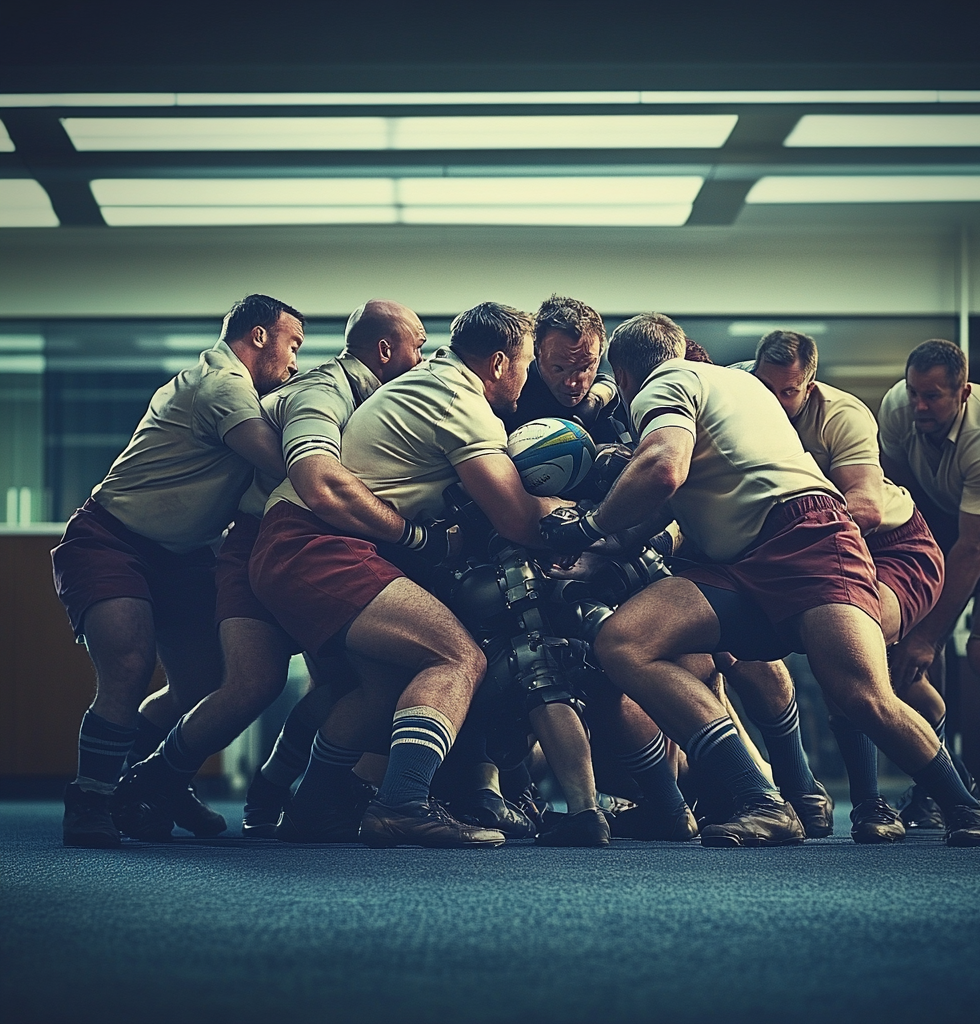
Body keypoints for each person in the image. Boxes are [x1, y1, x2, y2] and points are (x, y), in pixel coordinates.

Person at [543, 313, 980, 848]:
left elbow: (664, 470)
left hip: (806, 538)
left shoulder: (658, 386)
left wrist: (588, 523)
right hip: (740, 561)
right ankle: (761, 799)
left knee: (861, 694)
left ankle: (965, 806)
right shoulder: (740, 383)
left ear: (622, 376)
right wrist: (602, 548)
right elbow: (669, 500)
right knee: (625, 640)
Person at [112, 299, 432, 842]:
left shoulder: (372, 398)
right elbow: (312, 474)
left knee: (337, 682)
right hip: (265, 542)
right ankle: (151, 782)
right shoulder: (323, 389)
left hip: (301, 544)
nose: (424, 359)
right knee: (253, 684)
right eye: (418, 346)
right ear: (384, 349)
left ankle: (269, 788)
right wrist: (409, 531)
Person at [340, 301, 611, 846]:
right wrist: (596, 530)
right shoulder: (462, 403)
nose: (545, 375)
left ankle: (319, 804)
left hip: (379, 552)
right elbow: (514, 517)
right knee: (467, 658)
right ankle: (400, 803)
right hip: (346, 551)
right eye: (538, 362)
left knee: (388, 684)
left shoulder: (435, 382)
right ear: (497, 363)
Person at [52, 293, 303, 847]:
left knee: (205, 685)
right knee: (130, 665)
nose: (294, 363)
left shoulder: (238, 389)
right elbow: (287, 461)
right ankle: (91, 800)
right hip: (110, 539)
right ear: (258, 336)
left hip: (183, 555)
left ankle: (146, 780)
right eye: (292, 346)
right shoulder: (221, 385)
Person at [728, 330, 947, 841]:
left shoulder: (841, 415)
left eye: (789, 392)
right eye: (767, 387)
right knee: (897, 683)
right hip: (802, 551)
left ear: (809, 385)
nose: (777, 402)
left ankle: (875, 805)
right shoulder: (738, 393)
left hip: (890, 546)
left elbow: (866, 507)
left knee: (846, 660)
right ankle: (922, 772)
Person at [880, 338, 980, 833]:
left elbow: (976, 547)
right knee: (918, 659)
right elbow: (902, 501)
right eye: (914, 392)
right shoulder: (898, 409)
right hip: (940, 519)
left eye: (933, 397)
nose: (919, 405)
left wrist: (928, 635)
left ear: (962, 393)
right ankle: (937, 786)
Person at [500, 294, 628, 444]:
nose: (571, 383)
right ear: (537, 352)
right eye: (559, 369)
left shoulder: (613, 399)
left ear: (600, 355)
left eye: (585, 368)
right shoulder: (509, 399)